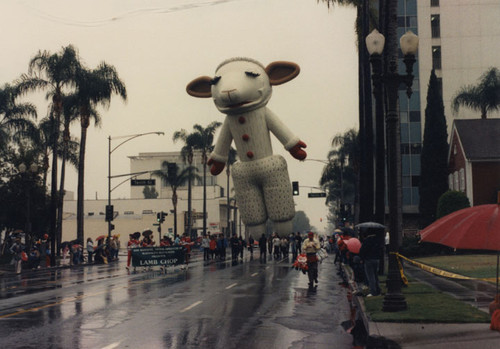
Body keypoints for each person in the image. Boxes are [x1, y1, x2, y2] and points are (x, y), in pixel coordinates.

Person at [359, 229, 383, 297]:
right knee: (376, 276)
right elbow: (381, 249)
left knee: (370, 277)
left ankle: (373, 292)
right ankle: (378, 291)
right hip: (376, 259)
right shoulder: (378, 240)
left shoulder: (367, 241)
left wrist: (362, 258)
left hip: (369, 260)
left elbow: (362, 250)